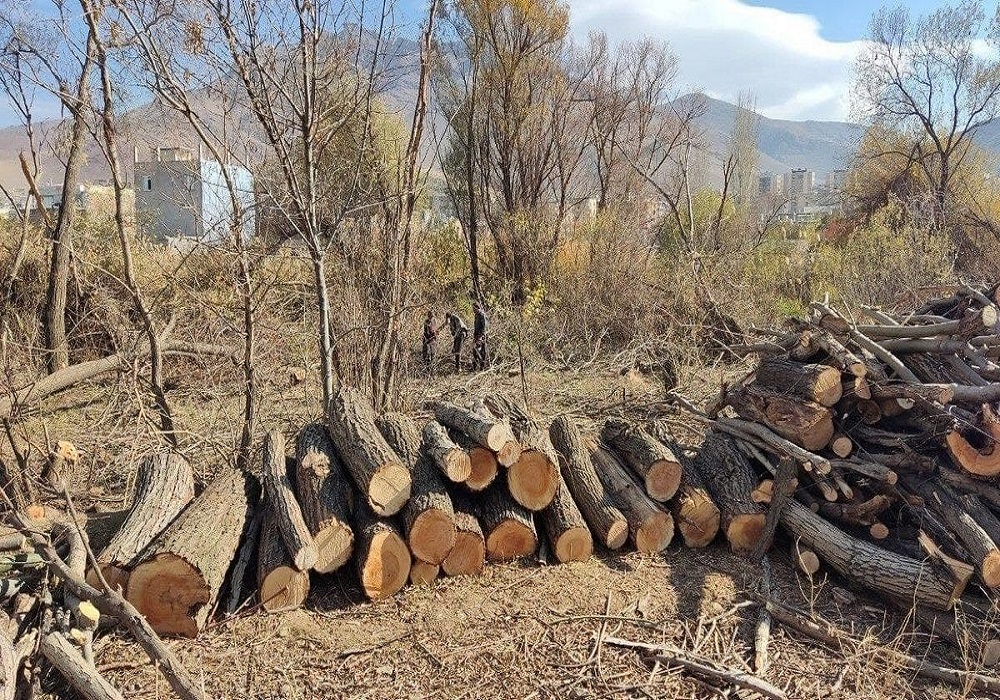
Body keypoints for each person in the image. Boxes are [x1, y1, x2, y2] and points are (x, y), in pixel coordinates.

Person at [472, 301, 489, 370]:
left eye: (473, 308)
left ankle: (482, 367)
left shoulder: (482, 314)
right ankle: (475, 367)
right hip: (477, 336)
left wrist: (482, 336)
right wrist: (474, 336)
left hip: (482, 336)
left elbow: (485, 326)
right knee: (475, 351)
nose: (473, 310)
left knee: (482, 351)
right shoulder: (476, 315)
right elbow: (476, 327)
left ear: (477, 307)